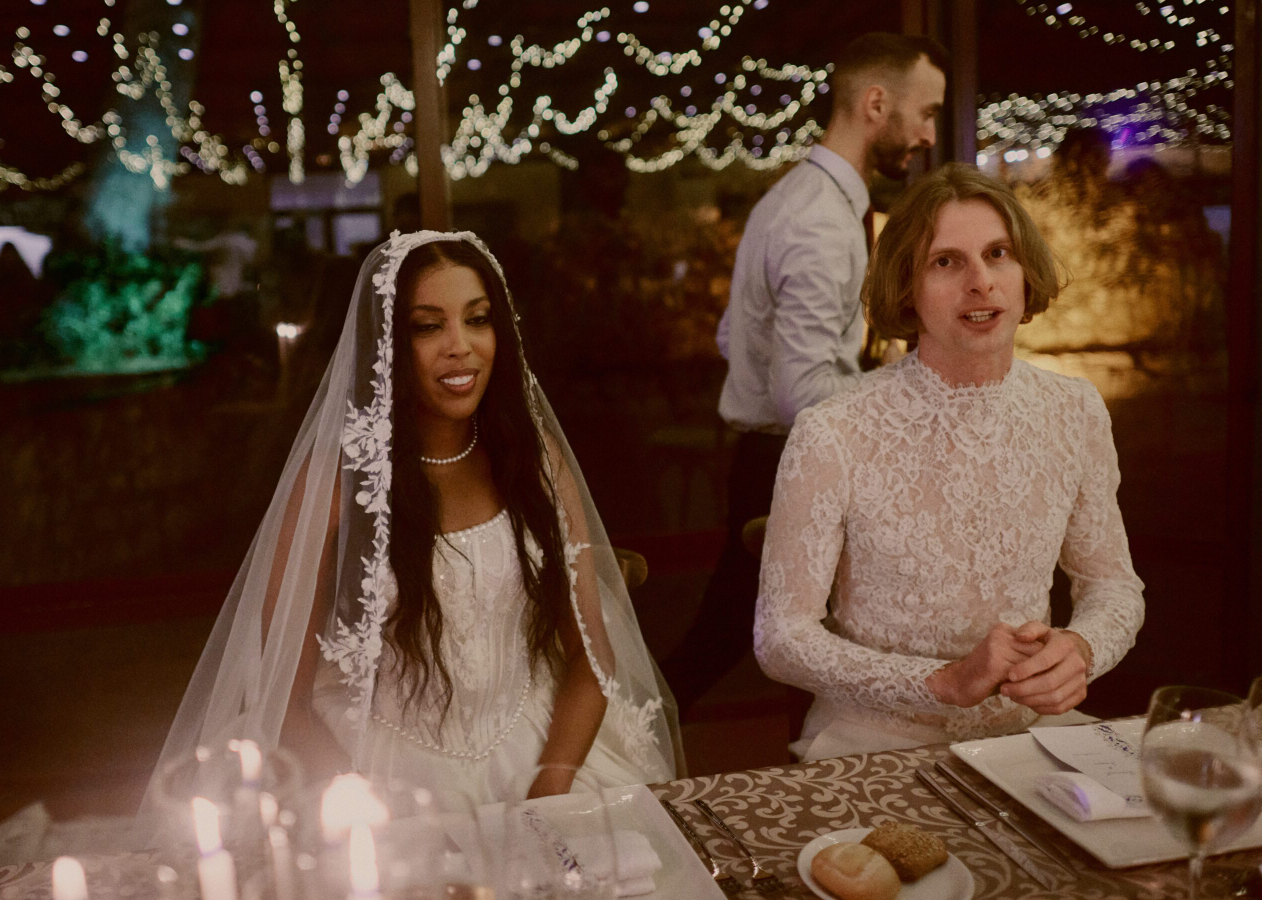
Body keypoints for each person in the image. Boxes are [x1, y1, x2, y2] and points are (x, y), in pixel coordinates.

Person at [154, 230, 680, 804]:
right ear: (385, 345)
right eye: (429, 326)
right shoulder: (336, 481)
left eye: (477, 320)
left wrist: (552, 783)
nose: (460, 346)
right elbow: (283, 694)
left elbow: (590, 657)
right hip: (375, 771)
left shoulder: (535, 462)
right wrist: (371, 812)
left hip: (541, 749)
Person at [754, 163, 1146, 761]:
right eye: (946, 261)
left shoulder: (1075, 411)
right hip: (878, 743)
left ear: (1024, 272)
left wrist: (1082, 647)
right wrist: (941, 683)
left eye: (998, 254)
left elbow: (1113, 586)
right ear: (906, 286)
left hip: (1028, 737)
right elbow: (780, 637)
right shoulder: (833, 430)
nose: (981, 282)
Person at [660, 32, 948, 714]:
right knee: (747, 643)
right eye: (927, 113)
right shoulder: (819, 219)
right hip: (786, 464)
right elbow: (801, 396)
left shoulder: (800, 197)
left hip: (773, 458)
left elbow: (736, 334)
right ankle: (611, 757)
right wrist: (904, 387)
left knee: (769, 645)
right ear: (877, 104)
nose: (930, 135)